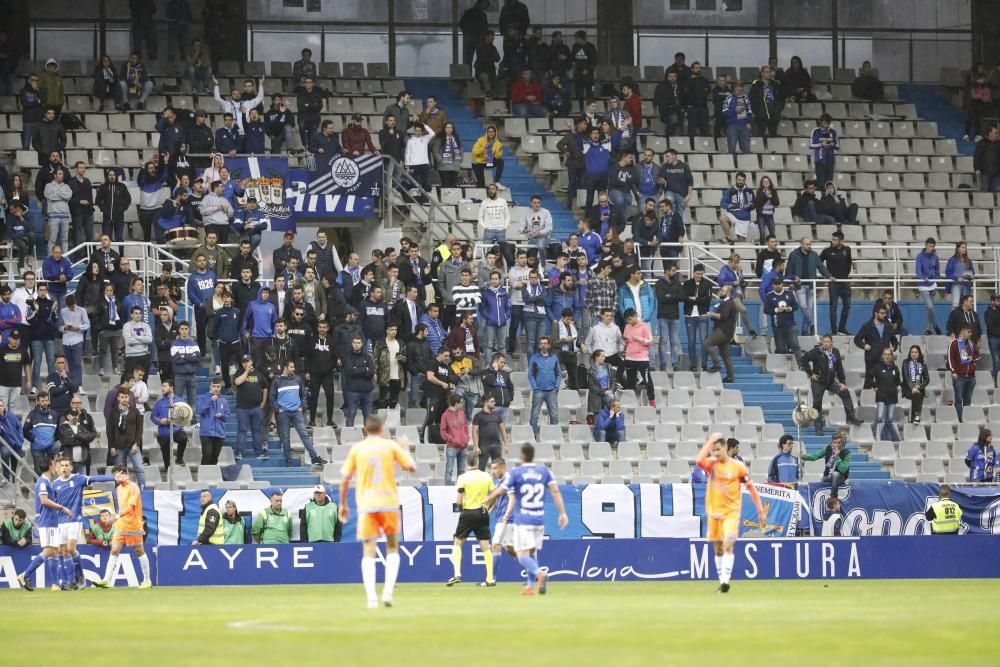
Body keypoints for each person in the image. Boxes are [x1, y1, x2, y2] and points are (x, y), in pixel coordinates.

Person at [339, 414, 417, 607]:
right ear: (382, 430)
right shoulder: (390, 446)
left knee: (368, 550)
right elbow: (411, 467)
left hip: (367, 504)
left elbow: (345, 478)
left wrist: (343, 504)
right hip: (389, 502)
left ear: (365, 430)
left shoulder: (358, 449)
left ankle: (372, 598)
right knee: (392, 547)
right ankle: (388, 593)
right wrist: (405, 448)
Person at [485, 443, 568, 595]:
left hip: (523, 520)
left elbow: (502, 490)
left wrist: (488, 498)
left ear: (522, 456)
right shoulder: (544, 472)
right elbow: (555, 492)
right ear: (533, 455)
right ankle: (530, 586)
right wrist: (562, 513)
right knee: (531, 552)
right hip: (539, 520)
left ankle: (539, 574)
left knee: (521, 555)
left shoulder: (516, 473)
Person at [695, 433, 766, 593]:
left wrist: (761, 510)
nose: (715, 453)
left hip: (731, 512)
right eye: (713, 450)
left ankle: (726, 582)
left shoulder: (738, 466)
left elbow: (752, 488)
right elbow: (699, 461)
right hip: (714, 512)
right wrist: (710, 441)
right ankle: (722, 582)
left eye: (718, 449)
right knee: (718, 548)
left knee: (728, 543)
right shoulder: (711, 464)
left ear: (725, 448)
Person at [51, 456, 114, 587]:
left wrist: (114, 478)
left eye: (67, 465)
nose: (64, 468)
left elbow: (95, 478)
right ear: (58, 468)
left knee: (70, 548)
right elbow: (52, 504)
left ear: (71, 467)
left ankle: (72, 582)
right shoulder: (54, 484)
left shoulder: (78, 479)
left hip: (74, 520)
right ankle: (79, 576)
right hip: (60, 522)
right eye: (62, 466)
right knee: (66, 552)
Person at [93, 465, 152, 588]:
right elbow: (122, 507)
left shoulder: (134, 488)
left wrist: (116, 517)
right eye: (115, 476)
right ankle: (106, 580)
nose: (116, 478)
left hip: (133, 525)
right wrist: (115, 517)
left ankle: (147, 580)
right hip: (121, 526)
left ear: (124, 474)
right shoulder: (118, 489)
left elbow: (130, 508)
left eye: (118, 475)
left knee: (139, 551)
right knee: (114, 550)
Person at [16, 456, 68, 591]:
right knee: (49, 550)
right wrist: (61, 507)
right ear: (50, 466)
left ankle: (55, 584)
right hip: (47, 520)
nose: (56, 467)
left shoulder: (47, 482)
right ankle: (25, 574)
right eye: (55, 465)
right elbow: (44, 501)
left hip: (51, 520)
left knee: (55, 551)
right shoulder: (42, 482)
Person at [445, 450, 496, 587]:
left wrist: (461, 509)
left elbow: (459, 500)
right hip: (482, 512)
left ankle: (457, 574)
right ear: (478, 462)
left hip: (468, 512)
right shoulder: (486, 477)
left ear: (467, 463)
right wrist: (488, 509)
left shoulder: (462, 478)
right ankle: (490, 578)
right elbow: (493, 496)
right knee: (485, 545)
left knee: (458, 542)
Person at [801, 335, 863, 434]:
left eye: (828, 341)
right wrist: (810, 373)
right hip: (818, 382)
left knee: (845, 392)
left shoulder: (835, 352)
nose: (826, 343)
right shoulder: (817, 351)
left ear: (831, 342)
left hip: (830, 381)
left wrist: (842, 382)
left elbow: (839, 368)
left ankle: (851, 417)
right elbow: (804, 359)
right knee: (817, 403)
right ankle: (818, 427)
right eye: (824, 341)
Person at [105, 387, 145, 488]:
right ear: (118, 398)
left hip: (132, 445)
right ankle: (120, 490)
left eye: (126, 397)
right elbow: (109, 431)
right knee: (120, 471)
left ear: (129, 398)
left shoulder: (135, 411)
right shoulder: (113, 412)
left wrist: (136, 443)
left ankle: (143, 489)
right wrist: (112, 446)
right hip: (118, 446)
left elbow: (139, 429)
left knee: (139, 468)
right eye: (122, 397)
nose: (124, 399)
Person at [764, 278, 804, 364]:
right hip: (777, 325)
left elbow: (796, 306)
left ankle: (802, 365)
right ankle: (782, 362)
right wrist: (776, 310)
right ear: (772, 285)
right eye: (775, 284)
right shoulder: (769, 296)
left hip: (790, 324)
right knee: (781, 349)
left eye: (779, 283)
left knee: (795, 345)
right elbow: (766, 310)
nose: (778, 286)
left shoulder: (789, 294)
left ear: (782, 284)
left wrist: (790, 308)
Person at [854, 304, 897, 384]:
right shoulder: (867, 326)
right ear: (876, 313)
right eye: (882, 313)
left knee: (887, 381)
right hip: (871, 358)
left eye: (885, 313)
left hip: (886, 358)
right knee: (869, 382)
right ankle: (866, 396)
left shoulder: (888, 326)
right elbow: (857, 339)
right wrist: (864, 345)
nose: (885, 315)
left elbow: (894, 340)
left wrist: (893, 348)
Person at [150, 378, 188, 466]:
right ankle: (167, 470)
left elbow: (185, 416)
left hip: (176, 429)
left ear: (171, 388)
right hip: (163, 432)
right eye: (162, 386)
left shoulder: (180, 401)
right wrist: (160, 421)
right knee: (166, 455)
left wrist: (177, 422)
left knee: (183, 438)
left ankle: (179, 459)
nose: (162, 388)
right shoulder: (159, 402)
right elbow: (153, 416)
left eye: (165, 386)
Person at [867, 347, 902, 441]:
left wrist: (899, 385)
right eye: (885, 354)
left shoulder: (895, 368)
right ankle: (874, 434)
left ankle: (886, 436)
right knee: (879, 417)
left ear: (892, 356)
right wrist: (874, 386)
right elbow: (869, 377)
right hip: (881, 395)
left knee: (889, 419)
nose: (887, 356)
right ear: (882, 356)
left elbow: (898, 380)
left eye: (889, 354)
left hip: (892, 396)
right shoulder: (877, 366)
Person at [682, 264, 712, 372]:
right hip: (690, 316)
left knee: (704, 341)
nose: (700, 276)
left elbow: (708, 300)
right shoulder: (686, 284)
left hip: (702, 315)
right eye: (698, 273)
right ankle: (693, 364)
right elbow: (684, 298)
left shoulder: (707, 284)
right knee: (691, 341)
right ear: (693, 273)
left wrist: (695, 299)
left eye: (701, 274)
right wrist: (700, 299)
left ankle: (704, 364)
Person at [704, 285, 736, 384]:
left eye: (723, 291)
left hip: (723, 330)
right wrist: (713, 315)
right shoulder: (725, 302)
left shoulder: (728, 303)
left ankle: (716, 364)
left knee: (707, 344)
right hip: (727, 332)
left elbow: (723, 316)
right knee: (725, 354)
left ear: (728, 292)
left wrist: (711, 314)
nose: (720, 292)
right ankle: (730, 377)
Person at [803, 432, 851, 499]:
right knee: (821, 482)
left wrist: (837, 457)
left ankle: (833, 498)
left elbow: (843, 469)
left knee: (835, 474)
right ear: (832, 442)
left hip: (841, 477)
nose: (836, 445)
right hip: (827, 475)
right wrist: (802, 456)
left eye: (839, 443)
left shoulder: (847, 453)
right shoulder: (828, 448)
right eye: (835, 442)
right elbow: (815, 456)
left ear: (842, 443)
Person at [948, 324, 980, 423]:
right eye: (969, 332)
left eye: (971, 332)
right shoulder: (954, 343)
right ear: (963, 331)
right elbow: (950, 359)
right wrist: (953, 371)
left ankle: (966, 419)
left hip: (971, 377)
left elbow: (978, 355)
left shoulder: (971, 344)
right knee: (958, 400)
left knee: (968, 401)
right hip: (959, 377)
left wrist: (972, 358)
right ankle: (959, 420)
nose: (970, 334)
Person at [24, 390, 59, 475]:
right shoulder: (32, 414)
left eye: (46, 400)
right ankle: (38, 487)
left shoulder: (54, 414)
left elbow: (58, 430)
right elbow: (25, 430)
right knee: (38, 472)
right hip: (37, 448)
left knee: (59, 444)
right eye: (42, 401)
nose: (45, 403)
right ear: (38, 402)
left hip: (50, 447)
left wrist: (53, 439)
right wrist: (34, 439)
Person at [196, 378, 229, 465]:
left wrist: (221, 415)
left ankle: (212, 477)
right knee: (207, 455)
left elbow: (227, 417)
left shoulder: (224, 401)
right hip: (206, 433)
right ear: (210, 387)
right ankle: (203, 477)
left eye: (218, 386)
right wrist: (210, 401)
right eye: (214, 386)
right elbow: (199, 410)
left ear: (221, 388)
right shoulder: (203, 398)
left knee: (215, 457)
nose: (216, 388)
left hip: (219, 433)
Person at [170, 321, 200, 411]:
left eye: (186, 329)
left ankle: (193, 420)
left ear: (189, 330)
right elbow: (176, 360)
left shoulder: (193, 343)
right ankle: (177, 420)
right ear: (179, 330)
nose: (184, 331)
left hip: (192, 376)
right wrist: (190, 357)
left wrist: (184, 356)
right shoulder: (174, 344)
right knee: (178, 400)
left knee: (192, 401)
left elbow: (198, 359)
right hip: (179, 376)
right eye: (182, 329)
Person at [718, 172, 754, 243]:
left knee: (742, 242)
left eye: (742, 180)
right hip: (732, 214)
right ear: (736, 180)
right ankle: (728, 237)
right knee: (722, 218)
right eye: (739, 180)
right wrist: (728, 205)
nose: (741, 182)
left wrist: (750, 205)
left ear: (745, 181)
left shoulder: (749, 191)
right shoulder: (729, 191)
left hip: (744, 217)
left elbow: (754, 203)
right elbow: (722, 203)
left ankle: (731, 240)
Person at [901, 345, 930, 425]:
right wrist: (913, 387)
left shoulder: (923, 364)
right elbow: (906, 376)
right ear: (910, 353)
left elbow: (927, 379)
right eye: (912, 352)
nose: (913, 354)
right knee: (916, 394)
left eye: (916, 352)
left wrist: (918, 386)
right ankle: (917, 415)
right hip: (907, 388)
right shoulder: (905, 362)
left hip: (918, 389)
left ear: (919, 353)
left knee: (917, 394)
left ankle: (914, 420)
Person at [722, 82, 753, 155]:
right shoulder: (729, 98)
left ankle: (746, 165)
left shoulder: (745, 98)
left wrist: (748, 122)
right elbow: (724, 112)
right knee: (732, 148)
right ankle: (732, 165)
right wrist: (734, 111)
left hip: (744, 125)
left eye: (741, 90)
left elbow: (749, 111)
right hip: (732, 125)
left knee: (746, 149)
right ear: (734, 89)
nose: (739, 92)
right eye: (738, 90)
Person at [810, 114, 840, 187]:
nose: (826, 125)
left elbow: (838, 146)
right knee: (821, 184)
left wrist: (833, 145)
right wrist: (821, 144)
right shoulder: (816, 131)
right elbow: (811, 145)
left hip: (830, 161)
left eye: (828, 123)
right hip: (820, 161)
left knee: (829, 184)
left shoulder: (833, 131)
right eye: (825, 123)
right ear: (821, 122)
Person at [945, 241, 975, 309]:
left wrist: (970, 276)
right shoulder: (952, 260)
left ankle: (964, 319)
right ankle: (953, 319)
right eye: (962, 247)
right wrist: (957, 278)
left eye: (965, 247)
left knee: (966, 306)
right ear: (958, 248)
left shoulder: (968, 261)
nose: (964, 249)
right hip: (956, 285)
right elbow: (948, 273)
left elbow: (973, 272)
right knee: (955, 304)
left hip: (966, 285)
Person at [974, 126, 1000, 192]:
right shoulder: (981, 143)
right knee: (985, 192)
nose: (997, 134)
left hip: (996, 172)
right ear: (990, 133)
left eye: (997, 133)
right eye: (995, 133)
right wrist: (977, 168)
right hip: (985, 172)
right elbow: (977, 156)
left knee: (994, 192)